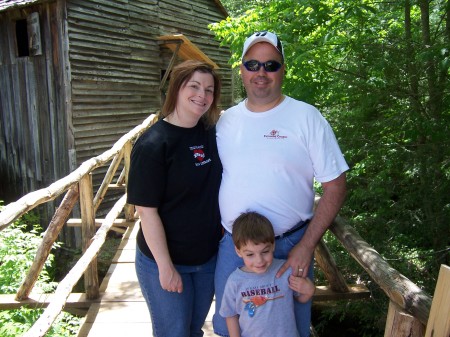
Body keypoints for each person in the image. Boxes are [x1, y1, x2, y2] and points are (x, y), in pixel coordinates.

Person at [213, 31, 349, 337]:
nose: (261, 73)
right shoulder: (225, 121)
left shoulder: (306, 117)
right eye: (253, 64)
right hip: (234, 248)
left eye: (270, 65)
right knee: (228, 325)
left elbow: (336, 186)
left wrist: (306, 245)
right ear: (242, 70)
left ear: (283, 69)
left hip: (289, 247)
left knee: (290, 328)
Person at [127, 60, 223, 337]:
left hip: (207, 258)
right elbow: (146, 212)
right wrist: (165, 267)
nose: (202, 95)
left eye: (209, 89)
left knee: (193, 330)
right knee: (174, 333)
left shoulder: (211, 133)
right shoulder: (153, 143)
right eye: (193, 86)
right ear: (177, 89)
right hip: (166, 259)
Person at [220, 211, 315, 337]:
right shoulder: (234, 281)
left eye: (265, 252)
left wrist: (309, 290)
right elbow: (230, 314)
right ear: (238, 251)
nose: (259, 260)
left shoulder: (286, 270)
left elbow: (300, 299)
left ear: (273, 246)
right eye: (250, 254)